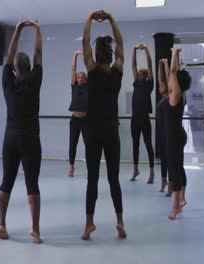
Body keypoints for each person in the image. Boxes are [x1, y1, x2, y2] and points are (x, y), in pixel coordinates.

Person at [81, 10, 126, 240]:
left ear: (96, 56)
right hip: (111, 133)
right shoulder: (117, 73)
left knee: (92, 179)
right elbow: (120, 42)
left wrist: (90, 18)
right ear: (110, 56)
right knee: (114, 178)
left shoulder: (91, 71)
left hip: (93, 133)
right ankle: (120, 221)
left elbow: (85, 42)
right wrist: (110, 18)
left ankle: (89, 224)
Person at [0, 19, 43, 244]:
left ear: (13, 69)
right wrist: (37, 29)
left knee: (7, 181)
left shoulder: (7, 82)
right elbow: (38, 52)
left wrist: (17, 29)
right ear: (28, 67)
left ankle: (2, 224)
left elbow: (10, 52)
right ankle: (34, 230)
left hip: (10, 139)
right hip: (30, 139)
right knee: (32, 183)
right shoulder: (35, 80)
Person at [161, 48, 191, 220]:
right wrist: (172, 60)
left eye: (173, 80)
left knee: (174, 171)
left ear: (177, 83)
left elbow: (173, 73)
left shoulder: (176, 95)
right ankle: (182, 199)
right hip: (176, 135)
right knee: (178, 167)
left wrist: (173, 53)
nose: (169, 81)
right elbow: (172, 74)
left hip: (174, 137)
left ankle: (175, 207)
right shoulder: (176, 94)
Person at [130, 44, 155, 183]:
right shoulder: (136, 83)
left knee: (147, 144)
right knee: (135, 144)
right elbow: (133, 65)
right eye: (138, 74)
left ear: (146, 76)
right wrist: (133, 49)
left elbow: (149, 64)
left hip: (145, 119)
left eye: (141, 74)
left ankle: (151, 172)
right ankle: (135, 169)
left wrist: (145, 48)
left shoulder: (149, 84)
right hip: (135, 118)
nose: (139, 75)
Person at [68, 50, 88, 177]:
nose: (80, 79)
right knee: (72, 144)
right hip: (74, 120)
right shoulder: (74, 85)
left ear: (85, 79)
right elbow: (73, 68)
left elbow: (89, 69)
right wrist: (75, 54)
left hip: (86, 120)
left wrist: (86, 56)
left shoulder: (88, 86)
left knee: (88, 144)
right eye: (78, 77)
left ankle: (89, 166)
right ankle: (71, 167)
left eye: (82, 77)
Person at [157, 58, 172, 195]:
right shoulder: (162, 98)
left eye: (163, 84)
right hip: (161, 131)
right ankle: (163, 181)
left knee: (169, 158)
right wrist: (159, 65)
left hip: (169, 131)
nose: (160, 85)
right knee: (163, 158)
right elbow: (160, 78)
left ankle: (171, 185)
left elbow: (168, 78)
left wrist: (166, 64)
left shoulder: (170, 97)